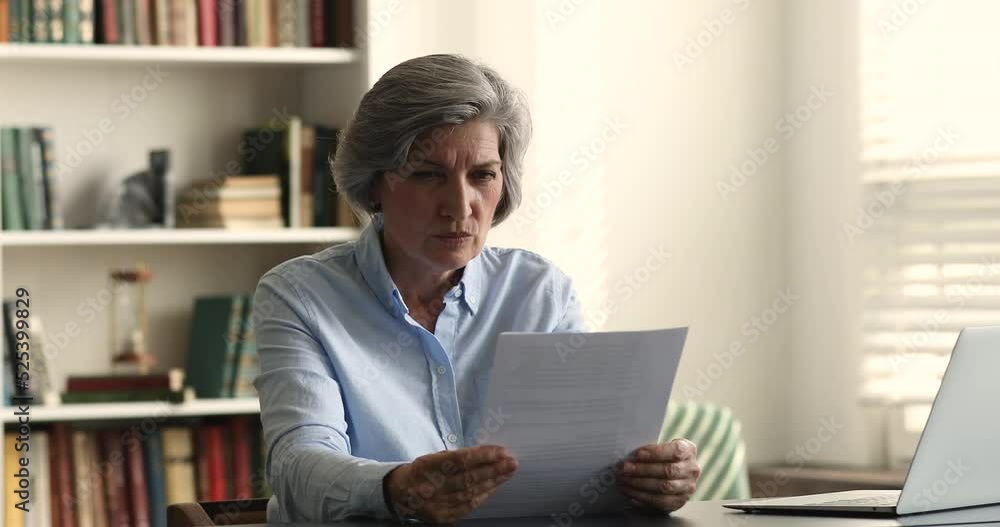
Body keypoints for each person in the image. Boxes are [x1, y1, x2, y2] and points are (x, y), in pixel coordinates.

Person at [253, 53, 701, 524]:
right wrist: (396, 488)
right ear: (373, 186)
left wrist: (649, 479)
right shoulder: (300, 296)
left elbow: (578, 466)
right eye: (428, 174)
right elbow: (297, 465)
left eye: (482, 175)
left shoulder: (540, 293)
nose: (460, 206)